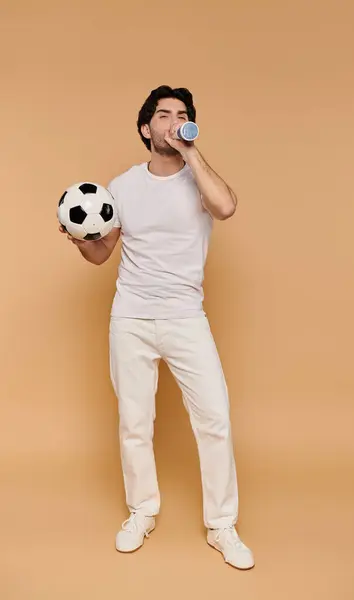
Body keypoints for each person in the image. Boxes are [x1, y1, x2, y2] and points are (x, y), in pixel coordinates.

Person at [60, 85, 254, 570]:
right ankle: (141, 511)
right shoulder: (122, 187)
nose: (172, 121)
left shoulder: (199, 178)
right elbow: (103, 253)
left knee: (214, 418)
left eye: (181, 115)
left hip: (186, 317)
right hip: (131, 317)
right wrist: (79, 239)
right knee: (134, 422)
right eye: (163, 115)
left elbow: (226, 207)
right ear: (146, 128)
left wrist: (192, 152)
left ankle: (222, 525)